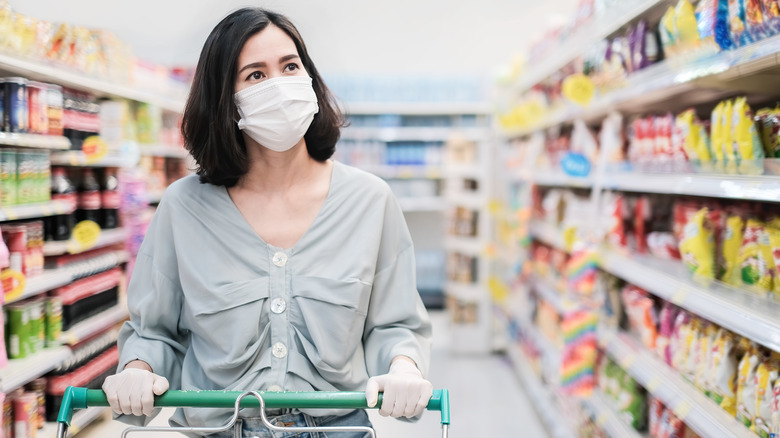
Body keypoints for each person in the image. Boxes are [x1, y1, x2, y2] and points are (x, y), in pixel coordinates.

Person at [101, 7, 433, 438]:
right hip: (217, 429)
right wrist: (137, 368)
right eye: (255, 75)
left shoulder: (369, 200)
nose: (279, 85)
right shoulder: (183, 208)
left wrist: (403, 367)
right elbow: (155, 330)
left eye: (290, 66)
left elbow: (396, 322)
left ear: (310, 79)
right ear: (225, 99)